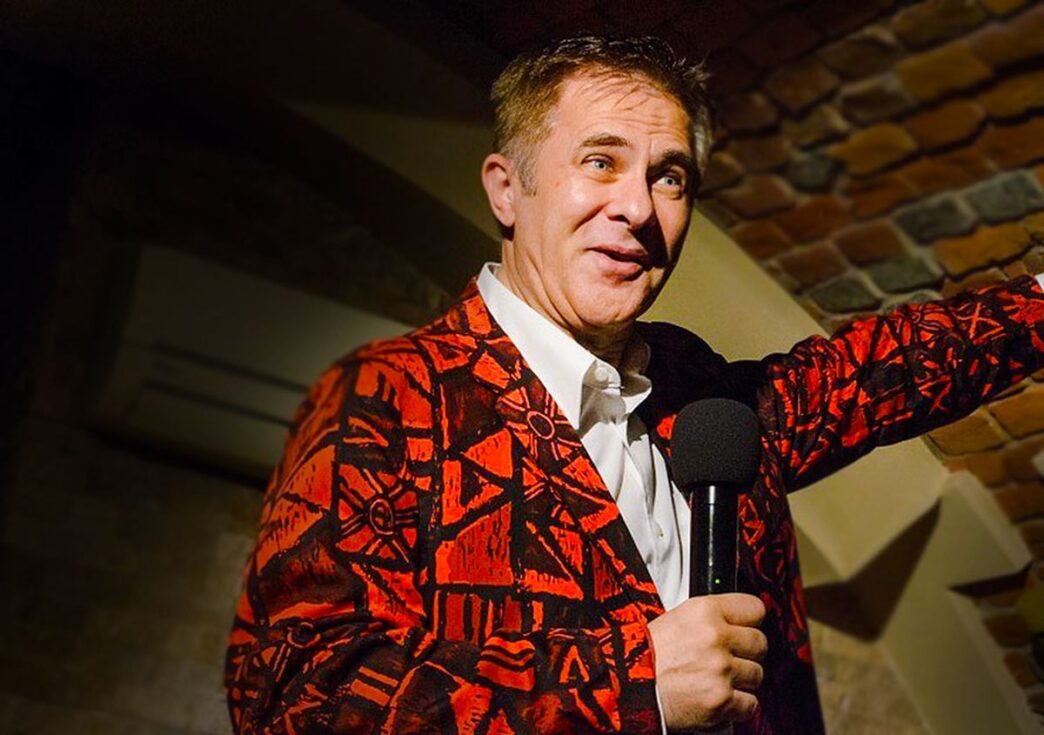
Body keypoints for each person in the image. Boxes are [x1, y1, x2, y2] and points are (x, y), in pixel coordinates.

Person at [224, 35, 1044, 734]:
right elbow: (296, 698)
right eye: (600, 162)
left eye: (669, 177)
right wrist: (634, 685)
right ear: (507, 188)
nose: (638, 209)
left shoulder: (699, 391)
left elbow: (876, 373)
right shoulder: (389, 396)